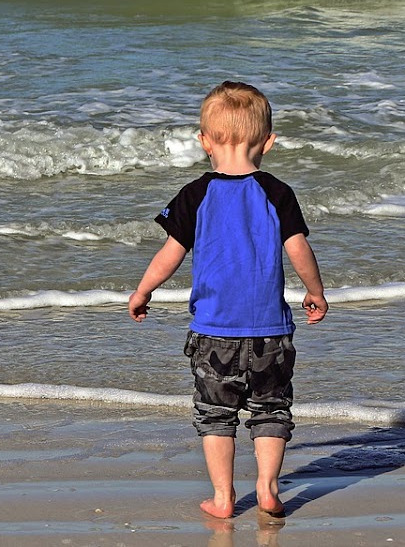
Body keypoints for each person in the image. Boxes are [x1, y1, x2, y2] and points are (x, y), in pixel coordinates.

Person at [128, 81, 328, 519]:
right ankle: (269, 489)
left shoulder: (195, 194)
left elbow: (170, 254)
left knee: (215, 415)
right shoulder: (278, 193)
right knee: (271, 410)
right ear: (268, 142)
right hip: (271, 333)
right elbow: (298, 250)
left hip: (212, 332)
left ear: (204, 142)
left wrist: (144, 290)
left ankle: (223, 498)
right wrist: (315, 292)